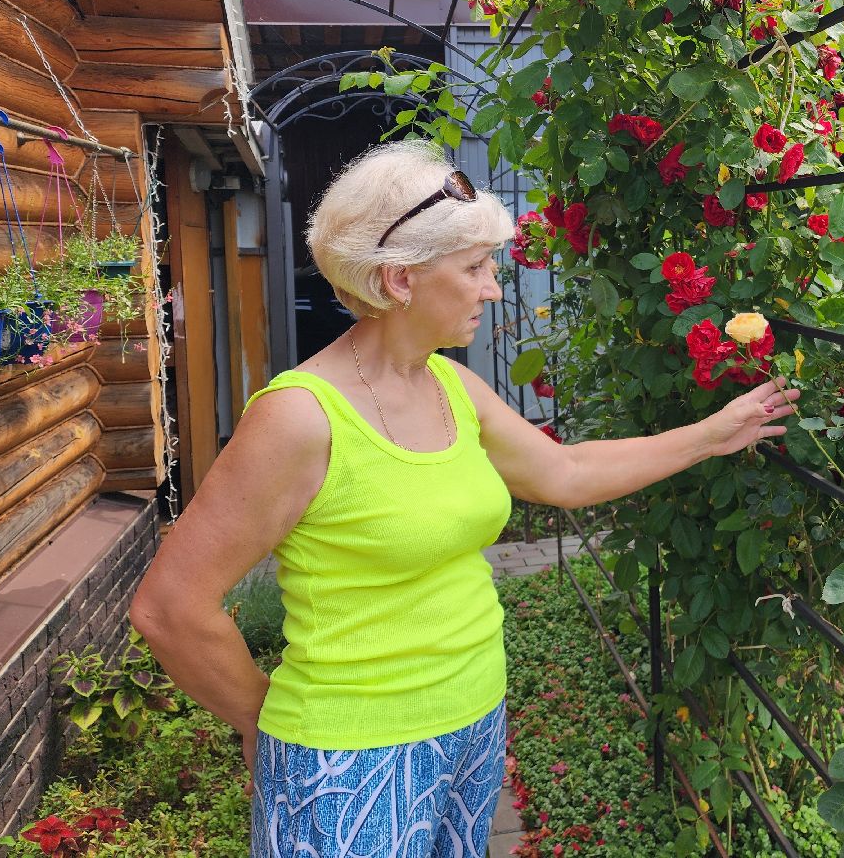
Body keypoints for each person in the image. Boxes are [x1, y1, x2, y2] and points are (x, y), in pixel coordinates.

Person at [130, 140, 800, 858]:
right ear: (400, 279)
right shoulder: (301, 417)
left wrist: (710, 436)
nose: (493, 290)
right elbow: (170, 607)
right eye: (475, 268)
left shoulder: (452, 386)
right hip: (349, 761)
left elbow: (566, 472)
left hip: (474, 725)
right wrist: (266, 722)